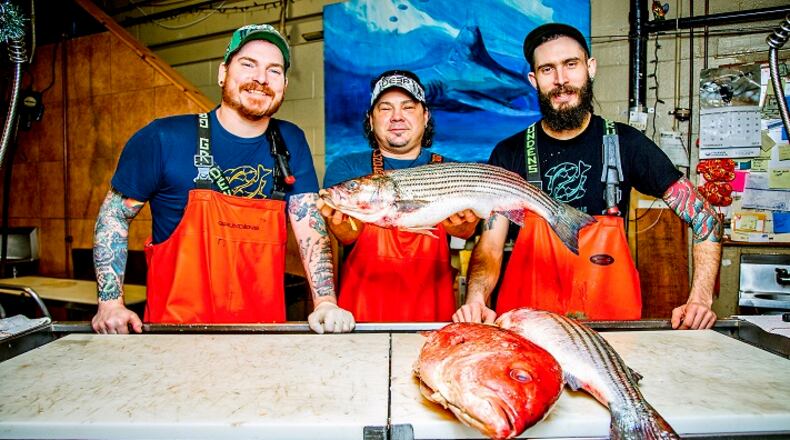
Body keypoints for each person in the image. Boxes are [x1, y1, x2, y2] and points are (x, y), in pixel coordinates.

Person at [453, 23, 721, 330]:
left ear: (590, 68)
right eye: (547, 69)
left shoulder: (626, 144)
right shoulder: (508, 153)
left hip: (608, 331)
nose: (561, 80)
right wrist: (476, 297)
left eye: (571, 65)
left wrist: (700, 298)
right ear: (533, 79)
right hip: (527, 328)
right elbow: (490, 245)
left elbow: (705, 219)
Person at [91, 24, 354, 334]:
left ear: (284, 83)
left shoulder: (291, 141)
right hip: (174, 338)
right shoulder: (162, 137)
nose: (261, 78)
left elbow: (310, 227)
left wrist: (325, 301)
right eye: (248, 65)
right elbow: (114, 216)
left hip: (262, 337)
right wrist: (110, 302)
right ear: (222, 73)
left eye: (274, 70)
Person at [318, 70, 478, 322]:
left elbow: (466, 233)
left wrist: (464, 227)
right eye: (385, 108)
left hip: (432, 308)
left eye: (407, 107)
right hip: (361, 310)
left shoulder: (452, 171)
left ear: (425, 116)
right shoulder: (346, 170)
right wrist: (342, 224)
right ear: (371, 119)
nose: (396, 117)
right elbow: (344, 237)